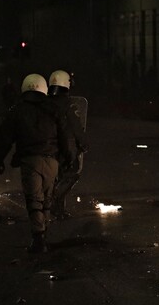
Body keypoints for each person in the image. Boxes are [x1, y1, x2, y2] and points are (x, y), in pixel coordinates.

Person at [0, 74, 72, 253]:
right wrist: (68, 158)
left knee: (34, 200)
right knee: (46, 199)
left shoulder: (17, 111)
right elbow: (65, 136)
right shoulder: (54, 109)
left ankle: (39, 238)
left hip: (30, 161)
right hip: (52, 160)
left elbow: (4, 138)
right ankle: (44, 235)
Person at [48, 70, 88, 219]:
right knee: (73, 173)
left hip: (47, 146)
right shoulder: (66, 104)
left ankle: (57, 209)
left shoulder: (45, 102)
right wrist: (84, 144)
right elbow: (75, 127)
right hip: (62, 148)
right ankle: (54, 202)